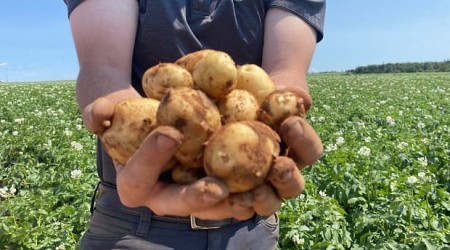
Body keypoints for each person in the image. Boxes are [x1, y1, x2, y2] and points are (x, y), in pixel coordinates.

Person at [64, 0, 326, 249]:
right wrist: (114, 105)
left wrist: (282, 108)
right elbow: (103, 66)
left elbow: (284, 71)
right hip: (130, 226)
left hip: (250, 226)